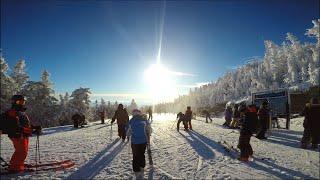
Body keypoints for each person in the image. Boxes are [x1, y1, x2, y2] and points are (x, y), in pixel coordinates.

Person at [0, 95, 41, 173]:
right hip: (17, 135)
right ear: (14, 102)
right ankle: (15, 168)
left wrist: (34, 127)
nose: (21, 104)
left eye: (23, 102)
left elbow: (25, 124)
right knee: (21, 151)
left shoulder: (20, 112)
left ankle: (17, 164)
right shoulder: (12, 112)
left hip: (22, 134)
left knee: (22, 151)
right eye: (19, 102)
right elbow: (16, 127)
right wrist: (31, 131)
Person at [126, 109, 152, 179]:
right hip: (144, 141)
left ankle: (136, 171)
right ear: (139, 113)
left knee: (135, 156)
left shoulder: (131, 121)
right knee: (142, 154)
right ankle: (142, 167)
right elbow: (150, 129)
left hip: (135, 142)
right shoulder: (144, 120)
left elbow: (127, 132)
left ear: (133, 114)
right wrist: (148, 134)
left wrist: (129, 135)